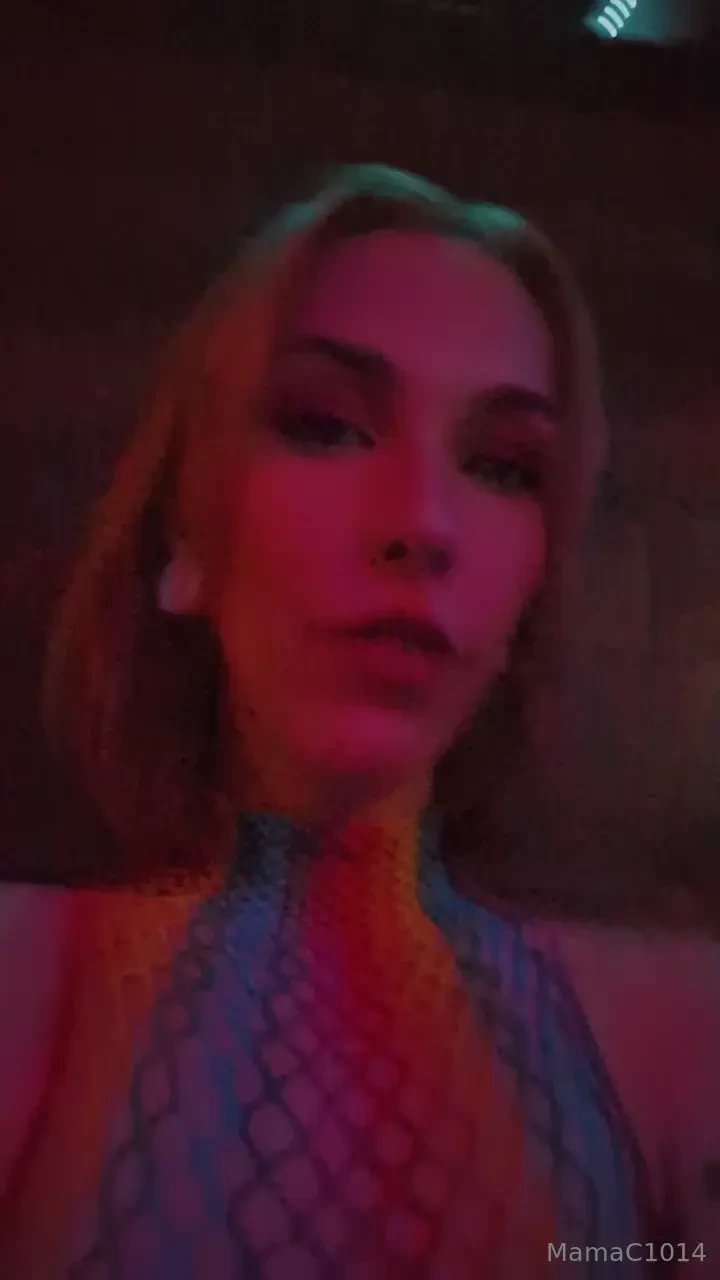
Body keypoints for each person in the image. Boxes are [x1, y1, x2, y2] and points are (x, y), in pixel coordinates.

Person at [0, 163, 717, 1278]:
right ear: (187, 531)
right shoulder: (23, 977)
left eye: (502, 466)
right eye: (325, 425)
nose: (425, 523)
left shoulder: (672, 1032)